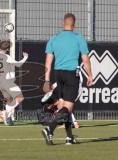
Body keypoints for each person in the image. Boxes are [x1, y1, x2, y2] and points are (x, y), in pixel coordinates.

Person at [42, 13, 93, 145]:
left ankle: (69, 138)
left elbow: (48, 62)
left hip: (58, 74)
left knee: (64, 107)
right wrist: (90, 75)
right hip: (72, 74)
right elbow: (85, 59)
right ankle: (50, 129)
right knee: (68, 107)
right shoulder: (78, 38)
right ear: (74, 24)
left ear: (63, 23)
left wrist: (47, 80)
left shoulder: (54, 38)